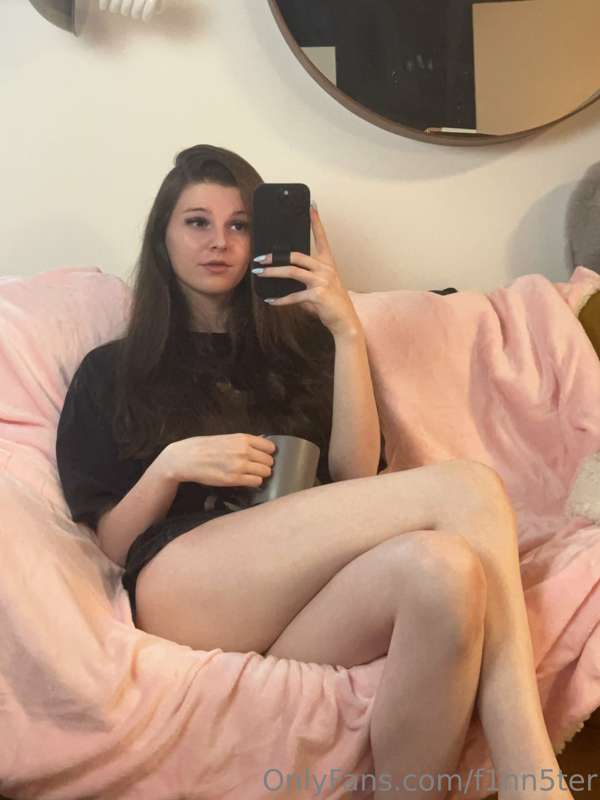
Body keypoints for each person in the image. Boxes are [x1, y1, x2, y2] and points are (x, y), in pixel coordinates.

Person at [56, 144, 573, 800]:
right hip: (187, 587)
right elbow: (109, 546)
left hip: (303, 605)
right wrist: (170, 466)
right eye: (197, 222)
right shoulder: (114, 369)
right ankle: (533, 778)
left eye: (240, 224)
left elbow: (356, 478)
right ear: (163, 236)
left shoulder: (296, 354)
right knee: (469, 486)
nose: (219, 241)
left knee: (444, 571)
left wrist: (345, 330)